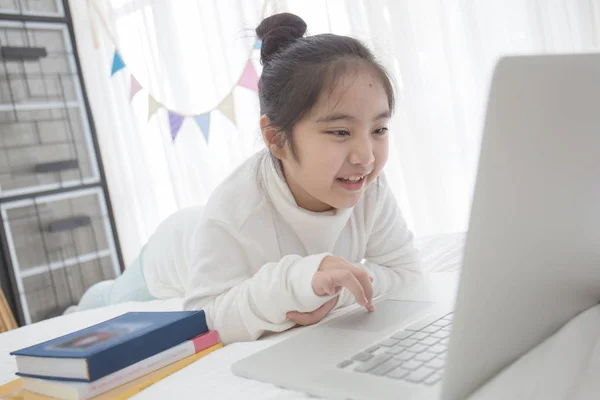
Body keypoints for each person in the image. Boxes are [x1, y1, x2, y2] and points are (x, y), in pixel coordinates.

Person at [181, 13, 422, 344]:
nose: (366, 157)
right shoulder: (234, 210)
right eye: (340, 131)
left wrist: (336, 291)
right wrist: (295, 283)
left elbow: (406, 273)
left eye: (379, 129)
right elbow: (204, 320)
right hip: (174, 246)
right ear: (277, 139)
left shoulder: (368, 184)